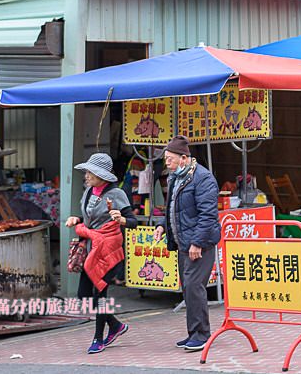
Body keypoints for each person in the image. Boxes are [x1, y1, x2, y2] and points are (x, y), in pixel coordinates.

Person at [152, 135, 221, 351]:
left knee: (194, 286)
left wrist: (197, 243)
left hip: (200, 243)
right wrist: (162, 226)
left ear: (183, 158)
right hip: (183, 242)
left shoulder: (203, 179)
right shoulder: (176, 177)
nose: (167, 163)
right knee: (187, 287)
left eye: (170, 159)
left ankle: (201, 335)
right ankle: (194, 332)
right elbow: (173, 207)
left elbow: (208, 215)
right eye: (166, 159)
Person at [65, 153, 137, 354]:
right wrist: (77, 220)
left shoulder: (117, 194)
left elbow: (132, 221)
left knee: (101, 294)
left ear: (101, 175)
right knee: (84, 296)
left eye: (90, 172)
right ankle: (115, 325)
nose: (86, 175)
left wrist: (121, 219)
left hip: (108, 251)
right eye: (86, 172)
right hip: (91, 250)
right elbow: (90, 218)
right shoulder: (88, 192)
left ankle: (99, 339)